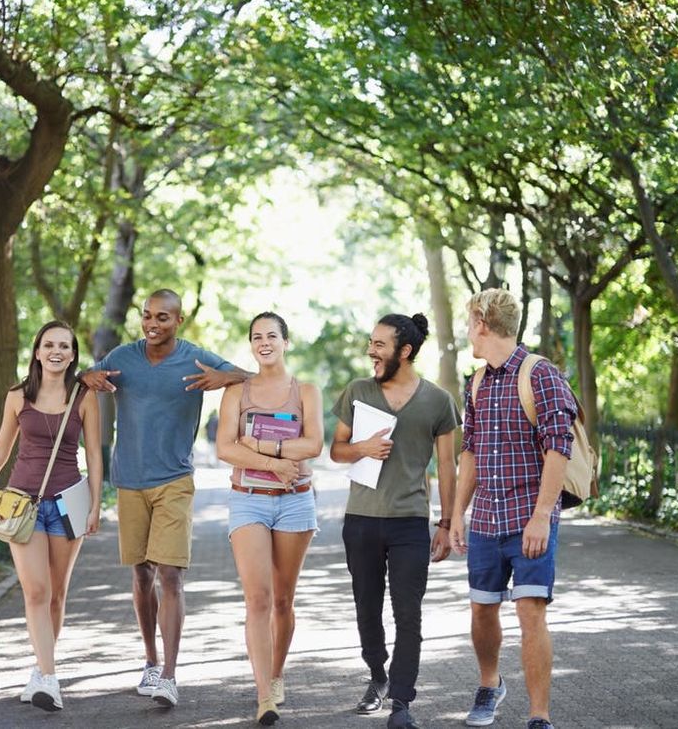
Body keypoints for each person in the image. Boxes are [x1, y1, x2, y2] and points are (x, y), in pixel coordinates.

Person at [79, 288, 250, 708]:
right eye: (147, 316)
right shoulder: (122, 357)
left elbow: (250, 376)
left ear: (178, 322)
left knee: (170, 575)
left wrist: (221, 377)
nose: (152, 324)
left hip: (175, 480)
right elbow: (83, 373)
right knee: (141, 575)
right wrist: (87, 377)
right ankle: (151, 662)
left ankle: (170, 676)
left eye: (162, 318)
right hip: (130, 481)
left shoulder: (195, 357)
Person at [449, 289, 576, 729]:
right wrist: (456, 514)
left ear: (482, 322)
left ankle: (539, 715)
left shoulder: (541, 374)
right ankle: (490, 685)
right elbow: (470, 452)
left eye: (470, 323)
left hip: (529, 518)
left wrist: (542, 515)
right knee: (482, 609)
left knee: (530, 610)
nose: (468, 332)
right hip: (486, 517)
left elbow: (559, 447)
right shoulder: (477, 381)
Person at [0, 320, 102, 712]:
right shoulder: (16, 396)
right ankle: (51, 679)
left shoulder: (84, 397)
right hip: (22, 505)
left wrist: (95, 504)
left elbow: (93, 454)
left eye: (64, 345)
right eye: (48, 344)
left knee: (57, 594)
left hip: (68, 504)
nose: (56, 351)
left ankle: (41, 672)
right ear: (37, 352)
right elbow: (0, 450)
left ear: (73, 354)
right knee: (36, 591)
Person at [330, 312, 458, 729]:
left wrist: (446, 523)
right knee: (367, 609)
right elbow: (337, 450)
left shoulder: (438, 401)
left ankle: (401, 701)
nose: (371, 350)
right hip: (362, 519)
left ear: (405, 351)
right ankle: (377, 674)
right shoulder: (358, 390)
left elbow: (447, 466)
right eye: (371, 342)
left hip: (409, 523)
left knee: (409, 614)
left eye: (379, 345)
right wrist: (362, 447)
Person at [215, 311, 323, 726]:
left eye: (272, 335)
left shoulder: (306, 391)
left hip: (296, 502)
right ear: (251, 344)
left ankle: (276, 674)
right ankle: (264, 696)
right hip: (249, 502)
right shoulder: (236, 394)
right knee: (257, 598)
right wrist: (275, 461)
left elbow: (312, 444)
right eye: (257, 336)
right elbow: (226, 448)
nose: (265, 342)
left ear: (285, 342)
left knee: (282, 599)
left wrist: (264, 449)